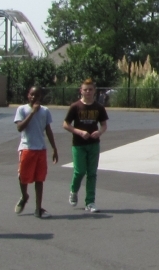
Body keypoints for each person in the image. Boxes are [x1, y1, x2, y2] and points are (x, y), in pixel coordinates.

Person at [63, 79, 108, 213]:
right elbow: (66, 124)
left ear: (94, 91)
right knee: (80, 171)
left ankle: (90, 202)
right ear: (81, 91)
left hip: (93, 144)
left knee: (92, 173)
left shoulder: (99, 107)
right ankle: (74, 190)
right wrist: (79, 132)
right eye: (85, 89)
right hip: (78, 144)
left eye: (90, 89)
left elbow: (104, 125)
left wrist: (99, 132)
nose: (88, 92)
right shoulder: (75, 107)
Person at [14, 86, 58, 218]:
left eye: (37, 95)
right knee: (23, 177)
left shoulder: (45, 111)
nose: (34, 97)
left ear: (40, 97)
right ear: (28, 95)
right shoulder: (22, 109)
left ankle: (38, 208)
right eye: (32, 95)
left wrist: (54, 148)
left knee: (40, 179)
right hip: (27, 148)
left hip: (40, 149)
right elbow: (20, 127)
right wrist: (32, 112)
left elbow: (48, 130)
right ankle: (24, 196)